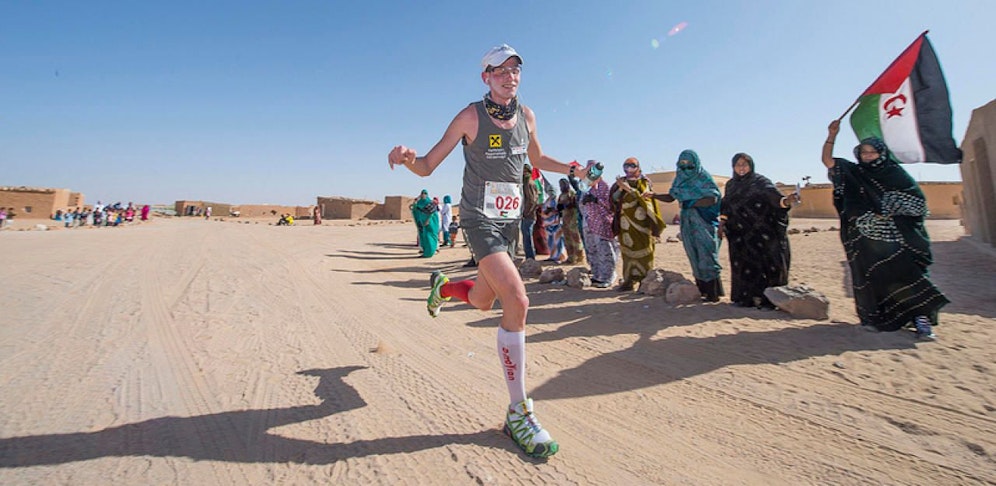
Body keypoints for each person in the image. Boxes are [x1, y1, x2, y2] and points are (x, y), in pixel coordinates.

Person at [388, 44, 583, 458]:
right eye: (500, 71)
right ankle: (519, 412)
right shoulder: (469, 117)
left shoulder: (527, 116)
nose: (510, 76)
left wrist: (573, 168)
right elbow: (427, 165)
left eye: (515, 70)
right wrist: (407, 158)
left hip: (509, 222)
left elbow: (537, 157)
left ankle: (442, 288)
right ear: (485, 77)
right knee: (517, 299)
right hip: (479, 220)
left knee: (482, 300)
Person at [822, 120, 947, 339]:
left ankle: (921, 319)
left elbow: (917, 202)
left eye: (872, 152)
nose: (868, 156)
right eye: (863, 152)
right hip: (868, 241)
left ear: (881, 153)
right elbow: (828, 161)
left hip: (899, 239)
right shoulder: (855, 172)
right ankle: (876, 318)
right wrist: (832, 135)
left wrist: (888, 208)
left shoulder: (895, 174)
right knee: (874, 278)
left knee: (908, 275)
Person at [720, 153, 795, 309]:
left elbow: (775, 198)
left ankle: (770, 300)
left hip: (763, 233)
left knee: (768, 263)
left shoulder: (760, 182)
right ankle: (746, 298)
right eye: (738, 164)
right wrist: (722, 223)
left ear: (751, 165)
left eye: (744, 164)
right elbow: (726, 206)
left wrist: (786, 201)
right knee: (744, 265)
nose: (741, 167)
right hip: (740, 234)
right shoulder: (731, 185)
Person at [653, 150, 723, 301]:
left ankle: (713, 292)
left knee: (707, 253)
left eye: (689, 165)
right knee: (693, 253)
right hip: (687, 222)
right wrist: (653, 195)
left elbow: (712, 198)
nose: (685, 169)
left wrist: (690, 201)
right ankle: (701, 289)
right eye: (682, 165)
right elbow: (672, 197)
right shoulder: (679, 179)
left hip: (703, 220)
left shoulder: (703, 177)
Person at [611, 157, 666, 291]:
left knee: (644, 251)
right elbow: (613, 199)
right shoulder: (621, 182)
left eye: (632, 166)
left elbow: (644, 199)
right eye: (626, 166)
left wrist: (627, 189)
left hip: (641, 224)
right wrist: (620, 189)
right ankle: (629, 281)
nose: (629, 169)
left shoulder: (644, 182)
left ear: (638, 167)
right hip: (625, 224)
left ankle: (645, 282)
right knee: (628, 253)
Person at [579, 161, 619, 288]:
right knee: (592, 250)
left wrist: (596, 200)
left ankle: (609, 276)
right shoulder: (585, 188)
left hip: (602, 223)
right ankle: (597, 275)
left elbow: (611, 206)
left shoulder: (604, 186)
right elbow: (580, 204)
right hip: (588, 222)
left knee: (605, 250)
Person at [556, 177, 585, 264]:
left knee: (575, 239)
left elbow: (575, 204)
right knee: (567, 239)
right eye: (560, 185)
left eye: (563, 184)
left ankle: (580, 257)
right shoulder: (561, 195)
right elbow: (559, 207)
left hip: (573, 218)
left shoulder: (571, 193)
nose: (562, 186)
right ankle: (571, 257)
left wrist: (568, 204)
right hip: (565, 219)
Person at [519, 164, 539, 259]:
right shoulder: (526, 182)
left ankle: (530, 258)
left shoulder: (529, 183)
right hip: (526, 214)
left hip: (528, 215)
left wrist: (526, 212)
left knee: (527, 238)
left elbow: (532, 200)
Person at [412, 190, 440, 258]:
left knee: (429, 237)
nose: (423, 195)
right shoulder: (420, 202)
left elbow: (432, 213)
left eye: (425, 193)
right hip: (423, 223)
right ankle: (426, 252)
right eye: (422, 193)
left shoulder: (430, 202)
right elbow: (415, 209)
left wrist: (428, 220)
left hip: (431, 223)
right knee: (424, 237)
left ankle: (430, 253)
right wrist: (415, 200)